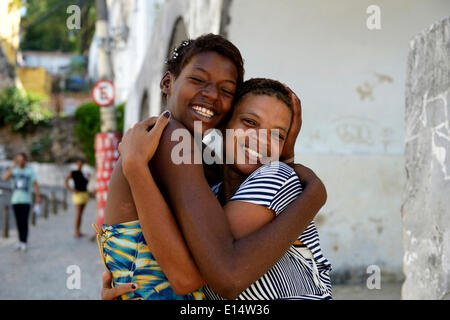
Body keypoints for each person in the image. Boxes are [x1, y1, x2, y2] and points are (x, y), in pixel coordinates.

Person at [98, 34, 327, 300]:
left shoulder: (206, 161)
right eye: (197, 80)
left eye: (226, 90)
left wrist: (286, 157)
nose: (210, 95)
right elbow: (190, 279)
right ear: (167, 82)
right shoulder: (170, 136)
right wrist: (314, 195)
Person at [2, 152, 41, 252]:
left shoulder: (30, 171)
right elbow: (5, 177)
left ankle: (24, 241)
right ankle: (20, 241)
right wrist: (12, 166)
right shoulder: (14, 170)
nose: (20, 162)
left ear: (25, 160)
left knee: (24, 222)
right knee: (18, 222)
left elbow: (35, 184)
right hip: (15, 200)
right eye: (18, 160)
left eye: (21, 159)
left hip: (26, 200)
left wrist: (38, 197)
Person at [65, 158, 90, 238]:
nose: (80, 164)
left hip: (84, 193)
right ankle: (76, 231)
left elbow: (86, 184)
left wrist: (87, 178)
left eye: (81, 163)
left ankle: (79, 230)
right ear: (77, 164)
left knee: (81, 214)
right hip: (78, 194)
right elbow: (66, 180)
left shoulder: (83, 173)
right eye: (79, 163)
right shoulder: (74, 173)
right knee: (78, 214)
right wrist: (71, 190)